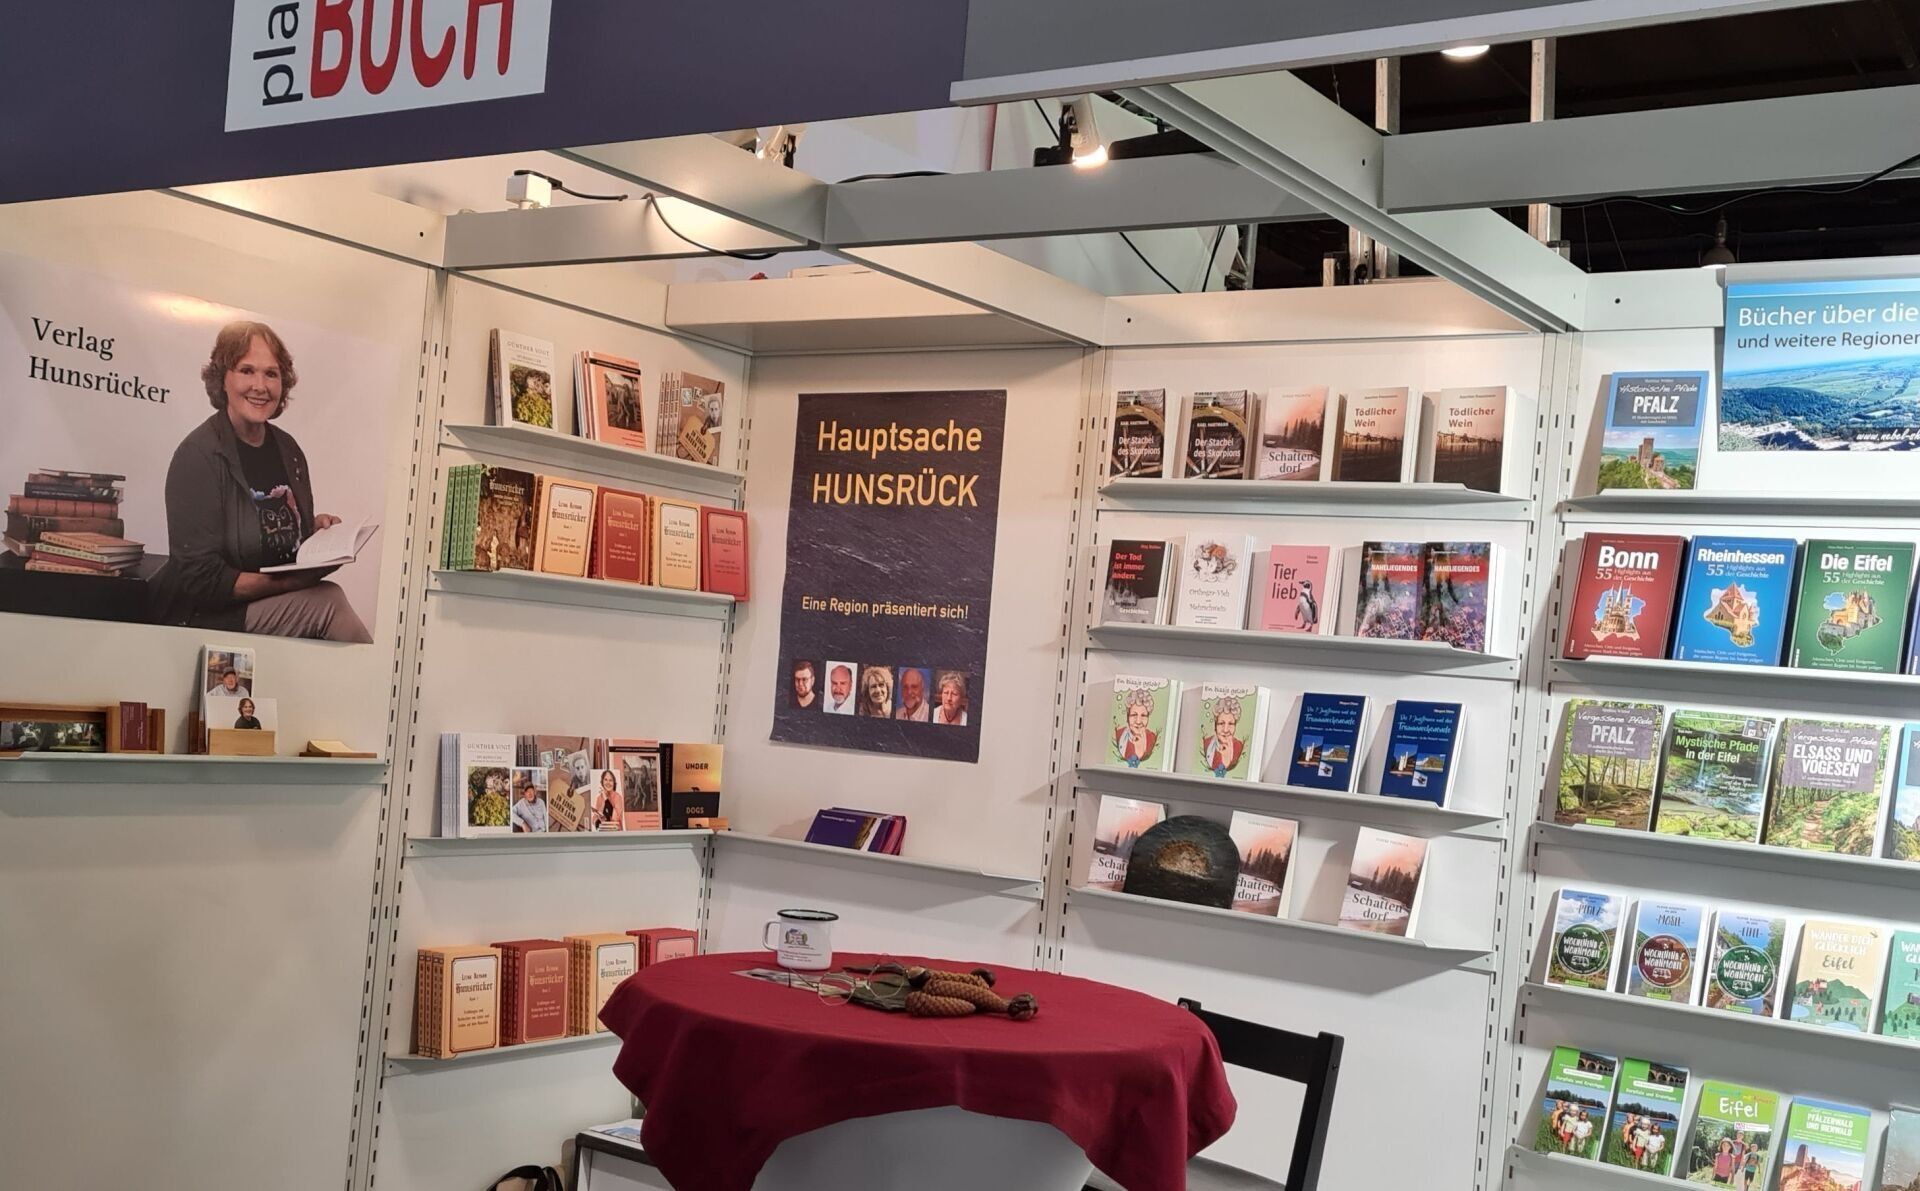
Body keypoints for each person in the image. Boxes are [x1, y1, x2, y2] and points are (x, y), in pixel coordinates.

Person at [150, 320, 370, 643]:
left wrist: (312, 532)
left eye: (271, 374)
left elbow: (269, 538)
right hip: (206, 616)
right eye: (247, 371)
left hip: (266, 604)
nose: (260, 385)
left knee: (329, 597)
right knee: (329, 603)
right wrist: (290, 584)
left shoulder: (288, 450)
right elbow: (201, 580)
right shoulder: (197, 456)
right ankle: (377, 676)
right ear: (222, 379)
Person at [1113, 686, 1158, 767]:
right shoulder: (1118, 734)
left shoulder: (1153, 738)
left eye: (1143, 715)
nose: (1138, 721)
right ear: (1128, 716)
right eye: (1134, 715)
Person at [1201, 697, 1244, 777]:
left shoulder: (1240, 746)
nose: (1225, 730)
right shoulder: (1206, 743)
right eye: (1221, 723)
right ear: (1215, 725)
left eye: (1231, 724)